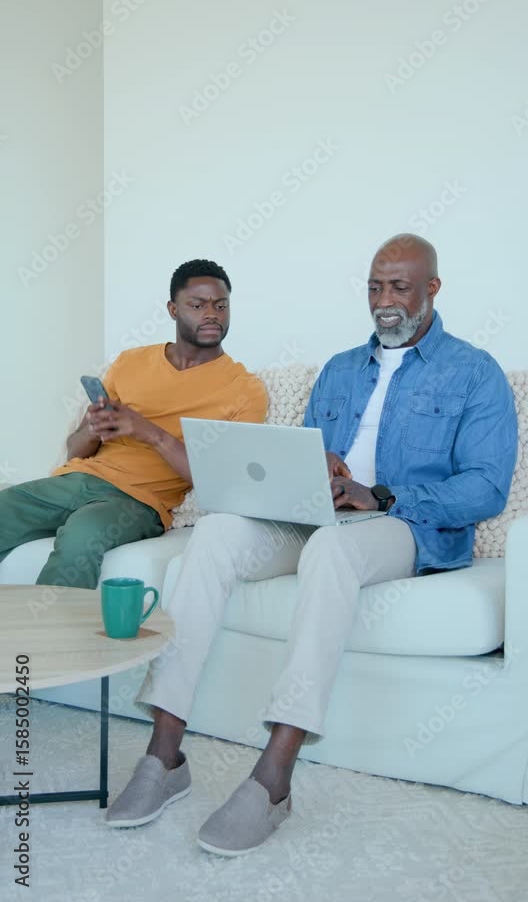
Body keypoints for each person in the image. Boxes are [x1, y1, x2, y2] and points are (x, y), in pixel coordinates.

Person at [105, 235, 517, 856]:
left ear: (432, 288)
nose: (384, 300)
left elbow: (485, 487)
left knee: (331, 551)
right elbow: (299, 457)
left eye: (399, 287)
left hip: (403, 525)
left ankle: (274, 777)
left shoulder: (475, 372)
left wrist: (380, 494)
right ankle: (164, 755)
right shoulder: (340, 369)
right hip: (315, 514)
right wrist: (315, 469)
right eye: (375, 287)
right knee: (215, 531)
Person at [0, 260, 267, 589]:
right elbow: (74, 452)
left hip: (137, 502)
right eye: (198, 305)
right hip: (78, 480)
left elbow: (225, 483)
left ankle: (53, 625)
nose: (212, 314)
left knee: (82, 534)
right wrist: (94, 427)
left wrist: (148, 432)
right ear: (173, 309)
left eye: (221, 305)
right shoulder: (130, 362)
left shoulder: (245, 389)